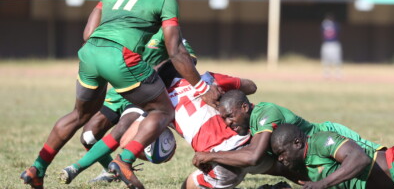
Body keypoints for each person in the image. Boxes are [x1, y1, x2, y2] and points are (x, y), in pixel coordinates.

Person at [20, 0, 220, 189]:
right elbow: (176, 51)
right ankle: (124, 161)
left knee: (79, 115)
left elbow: (88, 33)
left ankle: (37, 168)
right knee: (163, 110)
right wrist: (201, 87)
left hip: (90, 52)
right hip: (120, 57)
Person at [61, 60, 258, 188]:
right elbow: (251, 86)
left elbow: (126, 140)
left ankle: (90, 166)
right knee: (273, 165)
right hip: (252, 145)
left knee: (187, 184)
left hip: (220, 163)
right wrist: (222, 93)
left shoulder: (160, 102)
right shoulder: (207, 80)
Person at [59, 29, 197, 184]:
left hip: (147, 89)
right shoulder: (123, 28)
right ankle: (111, 172)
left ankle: (76, 168)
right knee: (88, 136)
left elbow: (188, 59)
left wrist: (158, 74)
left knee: (122, 129)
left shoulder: (166, 30)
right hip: (120, 91)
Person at [192, 90, 383, 185]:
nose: (227, 122)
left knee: (384, 168)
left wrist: (210, 156)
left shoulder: (265, 112)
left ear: (244, 107)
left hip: (332, 141)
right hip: (316, 160)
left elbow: (253, 157)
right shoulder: (250, 125)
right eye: (224, 118)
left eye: (230, 116)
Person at [270, 110, 394, 189]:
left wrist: (322, 184)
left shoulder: (320, 140)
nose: (280, 158)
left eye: (281, 153)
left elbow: (359, 158)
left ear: (297, 143)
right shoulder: (306, 170)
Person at [320, 13, 342, 79]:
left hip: (334, 43)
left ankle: (337, 73)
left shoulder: (335, 25)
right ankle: (326, 73)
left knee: (336, 59)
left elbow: (338, 31)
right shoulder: (324, 25)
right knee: (325, 59)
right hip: (326, 43)